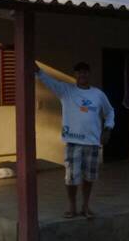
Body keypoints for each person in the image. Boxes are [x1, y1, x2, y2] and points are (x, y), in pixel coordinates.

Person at [34, 61, 115, 219]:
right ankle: (72, 206)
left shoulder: (98, 94)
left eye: (85, 72)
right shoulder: (66, 91)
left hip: (92, 143)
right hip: (73, 142)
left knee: (89, 177)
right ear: (75, 75)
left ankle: (85, 206)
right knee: (71, 177)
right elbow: (49, 81)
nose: (82, 75)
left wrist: (108, 129)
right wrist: (38, 70)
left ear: (89, 74)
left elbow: (110, 112)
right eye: (79, 72)